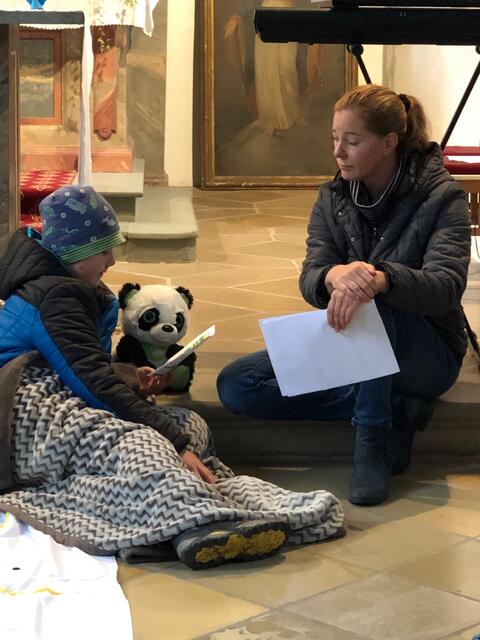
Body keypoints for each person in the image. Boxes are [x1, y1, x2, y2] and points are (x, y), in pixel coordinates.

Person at [0, 185, 344, 569]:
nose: (112, 259)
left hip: (59, 399)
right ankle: (197, 523)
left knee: (190, 426)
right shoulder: (56, 295)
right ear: (76, 250)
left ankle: (181, 502)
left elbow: (80, 366)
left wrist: (129, 377)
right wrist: (171, 440)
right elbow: (92, 381)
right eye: (103, 249)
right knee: (138, 441)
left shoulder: (68, 285)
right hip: (24, 415)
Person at [217, 84, 471, 507]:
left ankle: (370, 438)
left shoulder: (443, 197)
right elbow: (310, 277)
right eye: (335, 138)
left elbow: (445, 288)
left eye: (352, 141)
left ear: (389, 142)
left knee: (375, 305)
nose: (338, 151)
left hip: (426, 353)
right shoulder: (332, 198)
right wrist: (333, 275)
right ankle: (395, 410)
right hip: (355, 338)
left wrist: (380, 280)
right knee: (238, 384)